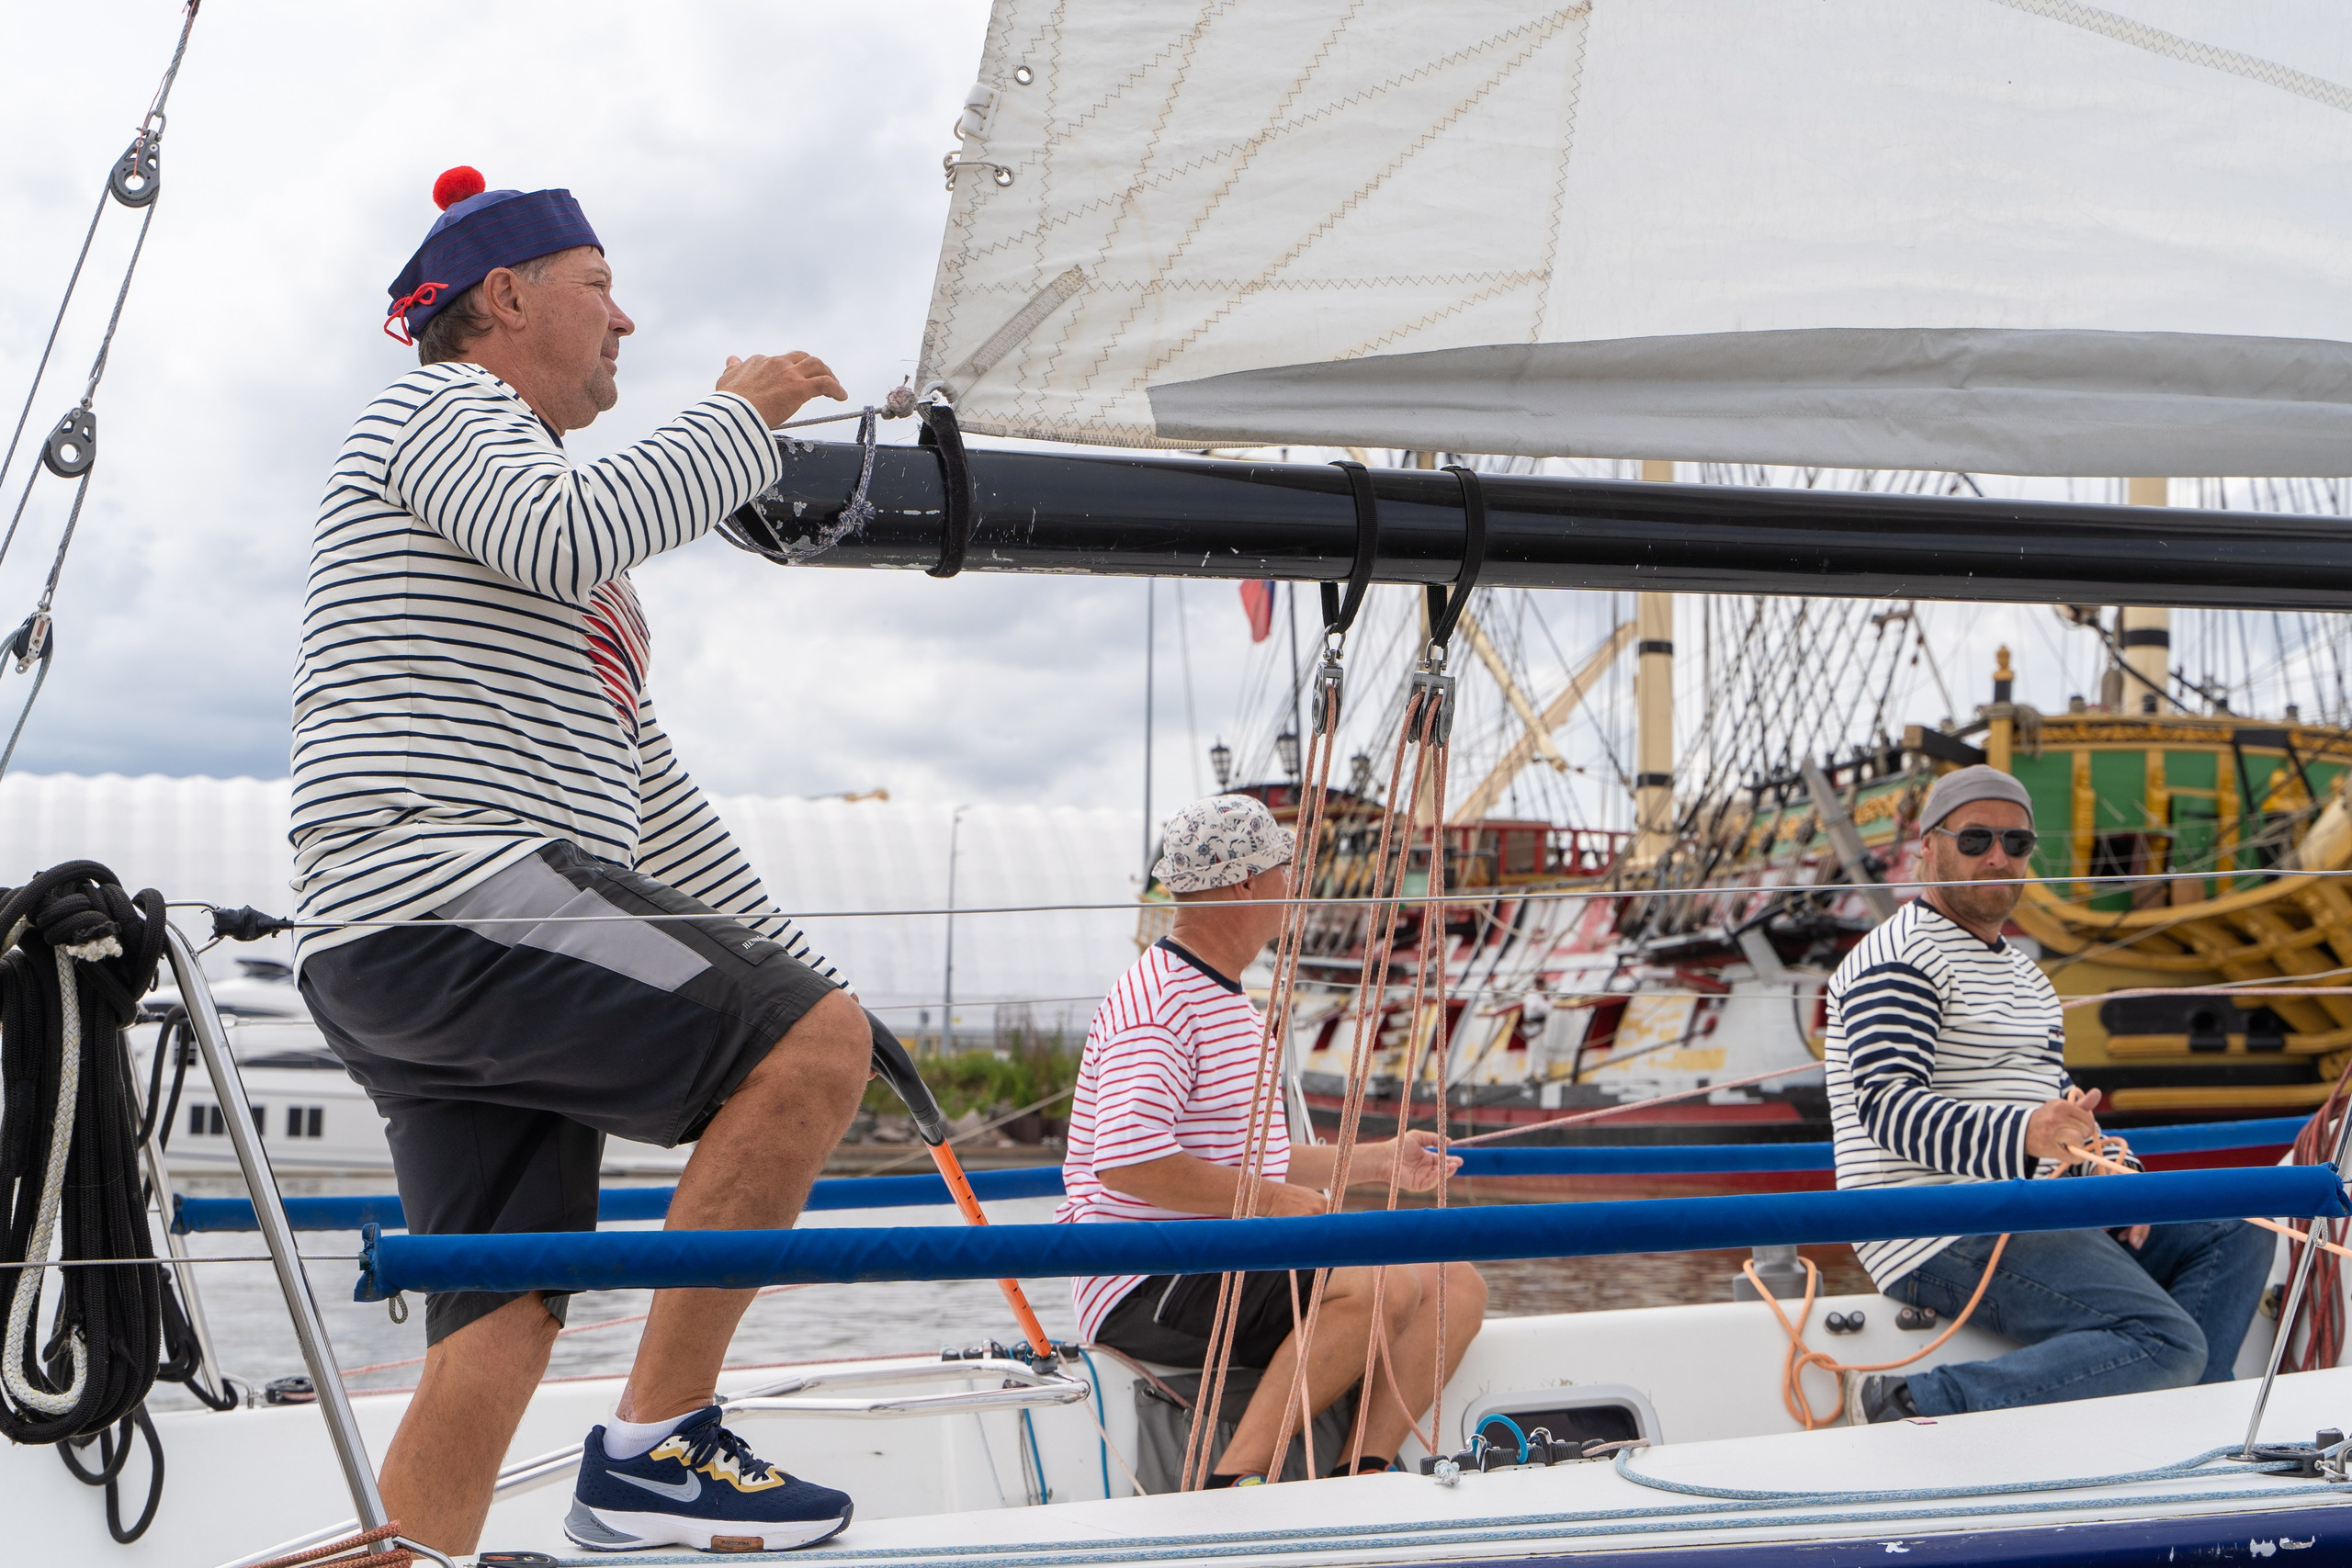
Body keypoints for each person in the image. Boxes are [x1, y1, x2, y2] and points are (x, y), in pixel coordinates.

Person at [292, 167, 872, 1555]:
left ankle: (414, 1549)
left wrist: (806, 976)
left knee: (505, 1306)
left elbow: (648, 799)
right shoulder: (439, 411)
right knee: (807, 1053)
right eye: (600, 286)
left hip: (429, 930)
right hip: (447, 891)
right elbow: (564, 534)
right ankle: (662, 1443)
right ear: (506, 298)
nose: (627, 320)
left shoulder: (563, 544)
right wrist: (741, 416)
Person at [1057, 794, 1487, 1484]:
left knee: (1454, 1282)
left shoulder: (1226, 997)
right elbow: (1127, 1160)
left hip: (1219, 1254)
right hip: (1146, 1273)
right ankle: (1233, 1479)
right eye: (1286, 871)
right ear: (1246, 883)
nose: (1295, 889)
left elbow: (1255, 1156)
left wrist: (1380, 1161)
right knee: (1374, 1283)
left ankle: (1363, 1471)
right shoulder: (1159, 1000)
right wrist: (1268, 1200)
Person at [1825, 764, 2272, 1423]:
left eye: (2016, 842)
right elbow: (1888, 1107)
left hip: (2032, 1206)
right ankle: (1913, 1399)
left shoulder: (2028, 977)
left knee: (2237, 1227)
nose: (1997, 856)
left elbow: (2052, 1105)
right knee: (2168, 1338)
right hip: (1936, 1225)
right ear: (1928, 847)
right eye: (1975, 840)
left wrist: (2113, 1174)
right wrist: (2028, 1134)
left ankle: (2177, 1415)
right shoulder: (1898, 956)